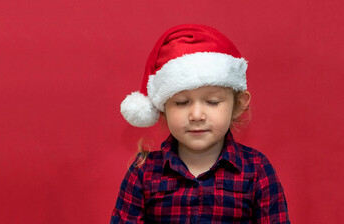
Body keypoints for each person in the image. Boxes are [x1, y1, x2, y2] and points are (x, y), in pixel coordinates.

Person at [111, 24, 290, 223]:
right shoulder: (143, 172)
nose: (196, 115)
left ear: (238, 105)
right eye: (181, 103)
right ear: (162, 108)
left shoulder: (257, 170)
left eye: (212, 102)